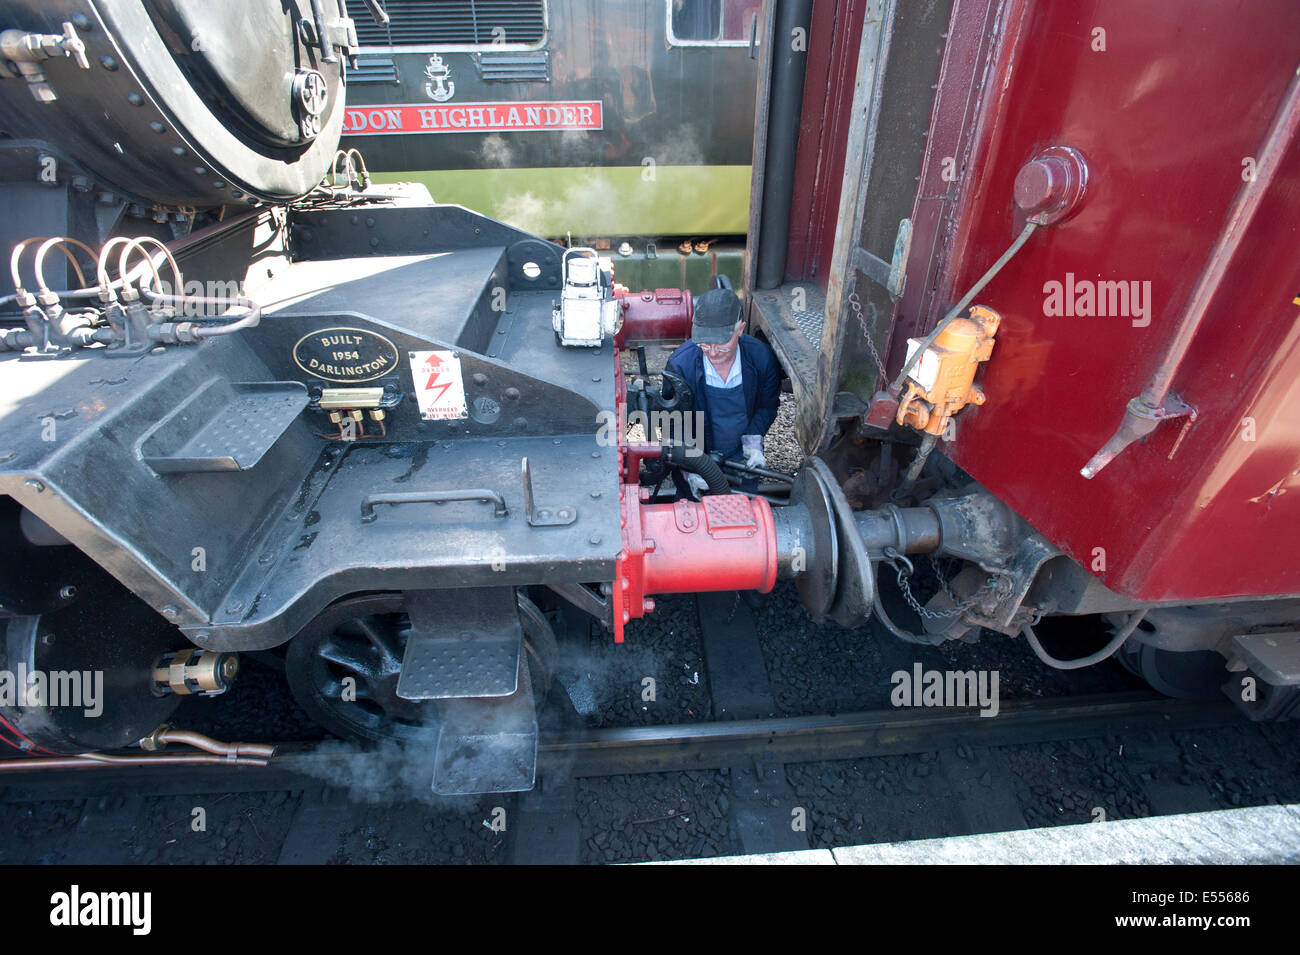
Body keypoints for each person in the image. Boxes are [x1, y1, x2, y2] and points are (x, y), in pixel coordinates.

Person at [663, 287, 781, 498]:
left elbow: (767, 406)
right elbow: (672, 422)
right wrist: (689, 469)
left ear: (740, 330)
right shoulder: (680, 365)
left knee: (742, 510)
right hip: (697, 455)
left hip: (740, 458)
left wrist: (753, 442)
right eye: (705, 344)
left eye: (721, 345)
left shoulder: (761, 358)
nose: (713, 353)